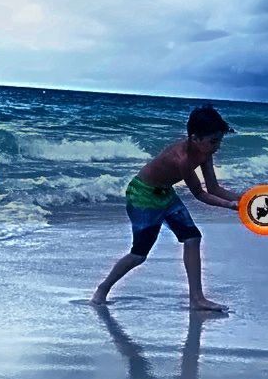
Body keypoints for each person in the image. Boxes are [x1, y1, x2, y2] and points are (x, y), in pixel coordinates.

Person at [91, 105, 238, 311]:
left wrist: (245, 200)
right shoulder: (183, 159)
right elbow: (200, 193)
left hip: (165, 194)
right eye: (213, 141)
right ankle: (102, 289)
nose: (217, 146)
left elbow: (214, 187)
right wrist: (229, 205)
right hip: (143, 196)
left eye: (219, 141)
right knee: (139, 255)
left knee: (192, 237)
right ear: (195, 138)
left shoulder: (204, 152)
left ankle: (197, 298)